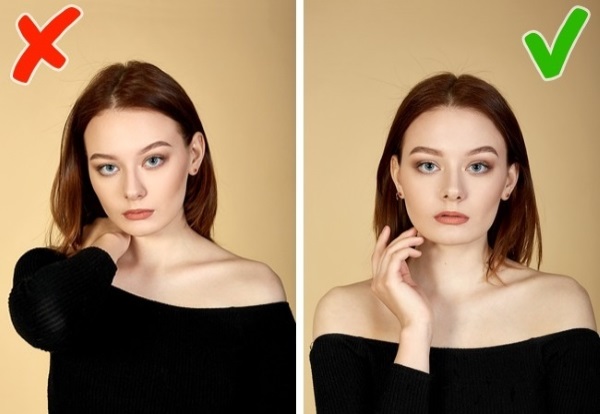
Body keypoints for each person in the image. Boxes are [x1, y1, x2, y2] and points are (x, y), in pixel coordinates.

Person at [9, 61, 295, 413]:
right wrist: (107, 245)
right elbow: (46, 322)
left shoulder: (254, 290)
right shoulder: (57, 272)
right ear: (87, 171)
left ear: (194, 155)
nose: (132, 190)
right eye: (108, 167)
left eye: (154, 160)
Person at [310, 73, 599, 413]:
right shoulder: (343, 313)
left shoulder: (560, 306)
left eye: (478, 166)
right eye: (428, 165)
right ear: (397, 175)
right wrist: (415, 332)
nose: (453, 190)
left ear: (509, 180)